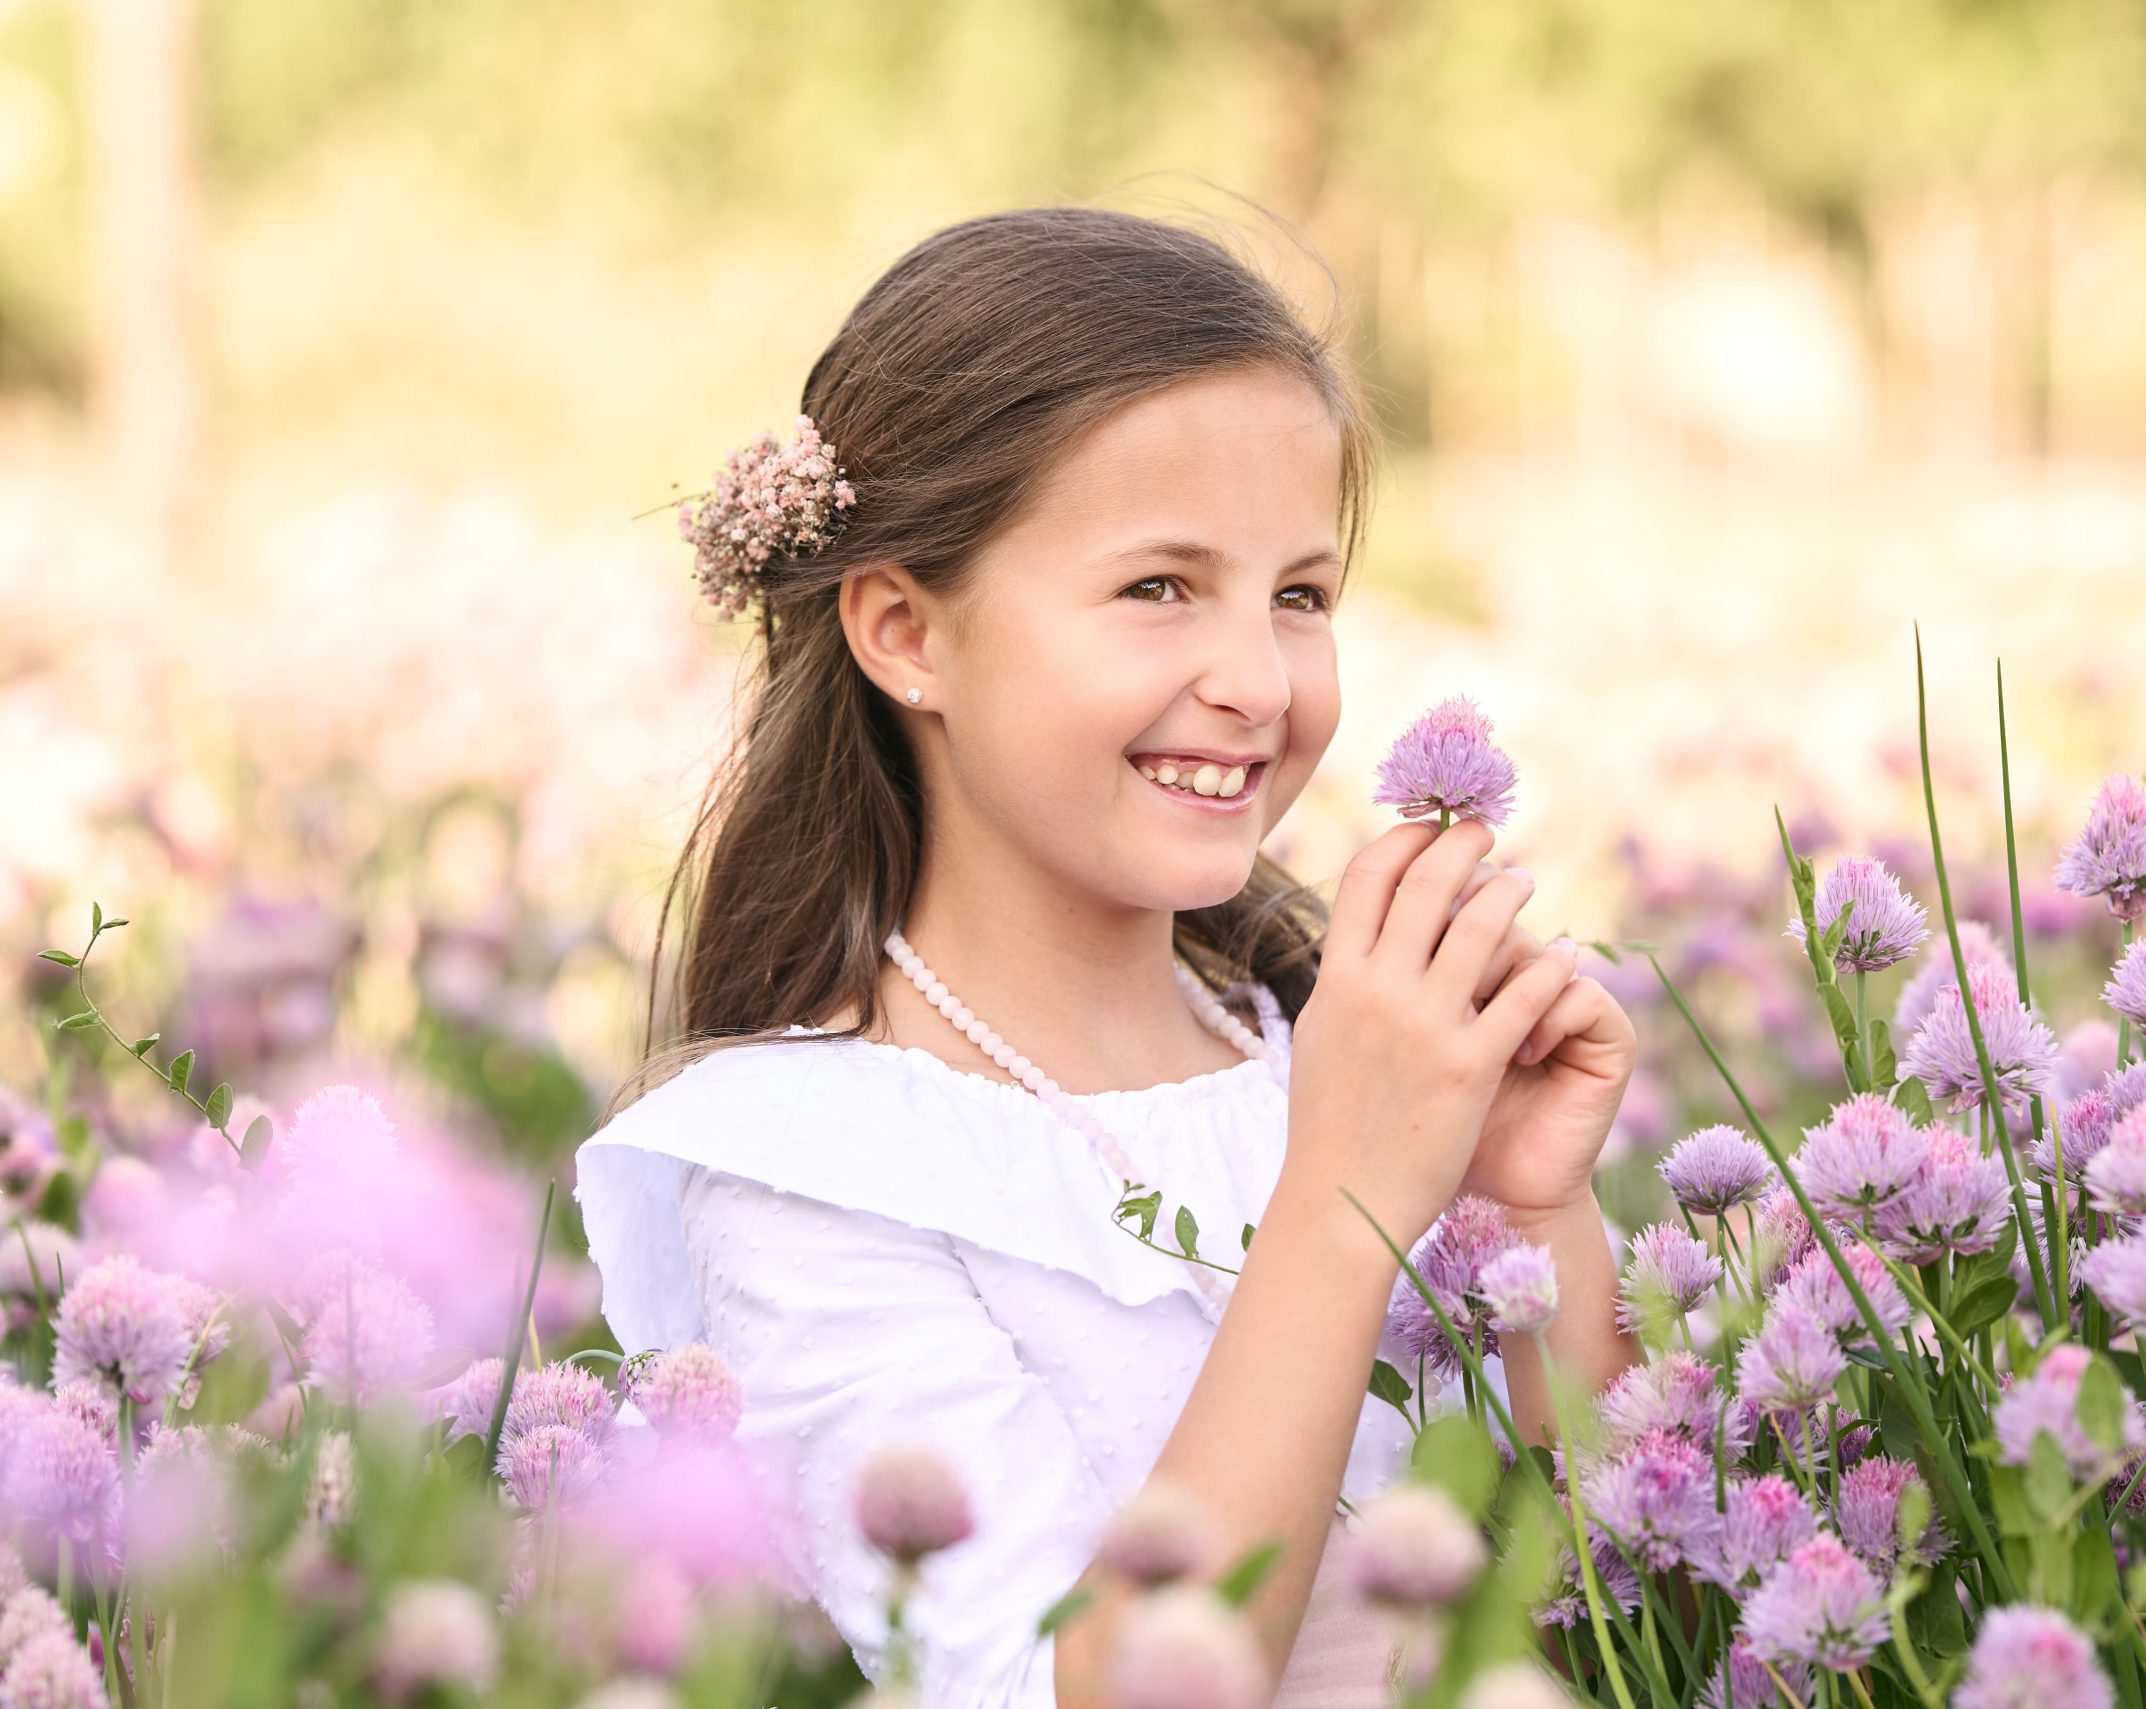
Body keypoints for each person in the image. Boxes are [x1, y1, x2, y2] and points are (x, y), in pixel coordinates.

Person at [573, 201, 1641, 1708]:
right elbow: (1050, 1684)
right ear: (905, 633)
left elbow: (1640, 1596)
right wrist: (1344, 1207)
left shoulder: (1309, 1043)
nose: (1258, 680)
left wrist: (1532, 1207)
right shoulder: (813, 1166)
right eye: (1159, 587)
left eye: (1300, 595)